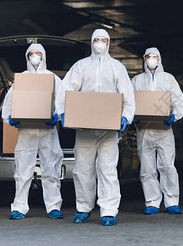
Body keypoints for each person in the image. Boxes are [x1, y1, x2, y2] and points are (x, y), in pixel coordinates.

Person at [55, 29, 135, 226]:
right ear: (91, 42)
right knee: (82, 169)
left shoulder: (117, 68)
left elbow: (127, 95)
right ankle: (83, 208)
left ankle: (108, 211)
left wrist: (125, 117)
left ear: (109, 42)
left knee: (107, 169)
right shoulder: (81, 66)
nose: (100, 43)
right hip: (85, 129)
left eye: (103, 40)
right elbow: (66, 90)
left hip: (109, 130)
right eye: (97, 40)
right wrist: (63, 113)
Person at [2, 43, 63, 220]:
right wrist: (9, 118)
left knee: (51, 168)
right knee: (22, 170)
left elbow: (62, 100)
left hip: (47, 131)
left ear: (43, 56)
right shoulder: (21, 79)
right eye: (31, 54)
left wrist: (57, 116)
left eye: (38, 53)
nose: (35, 57)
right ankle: (19, 207)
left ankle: (53, 206)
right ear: (27, 57)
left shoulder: (52, 78)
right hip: (26, 131)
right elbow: (8, 103)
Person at [131, 47, 183, 215]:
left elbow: (179, 101)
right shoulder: (137, 80)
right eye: (148, 57)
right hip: (143, 130)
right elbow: (129, 101)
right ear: (144, 59)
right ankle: (152, 202)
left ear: (159, 59)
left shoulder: (168, 79)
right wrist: (133, 116)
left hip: (164, 129)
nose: (151, 60)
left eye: (154, 57)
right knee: (147, 168)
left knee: (167, 166)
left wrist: (174, 116)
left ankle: (172, 201)